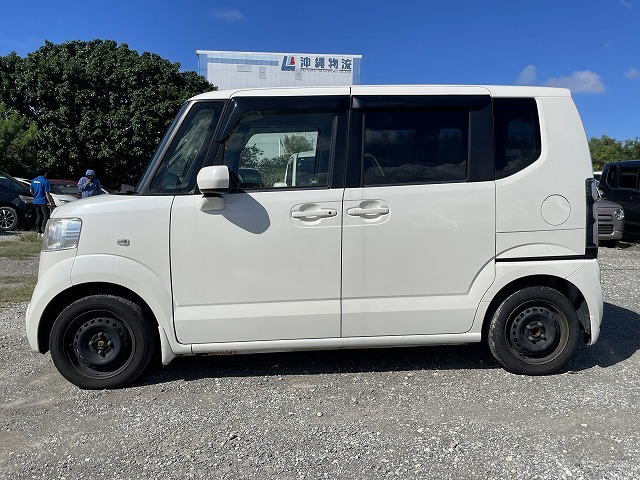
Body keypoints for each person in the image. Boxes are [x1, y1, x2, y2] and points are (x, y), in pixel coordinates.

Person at [30, 166, 55, 237]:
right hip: (43, 202)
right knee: (46, 216)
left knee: (39, 216)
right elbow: (47, 193)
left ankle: (38, 232)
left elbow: (31, 191)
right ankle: (44, 232)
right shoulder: (45, 181)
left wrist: (35, 196)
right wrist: (50, 202)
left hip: (36, 201)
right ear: (45, 173)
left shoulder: (34, 180)